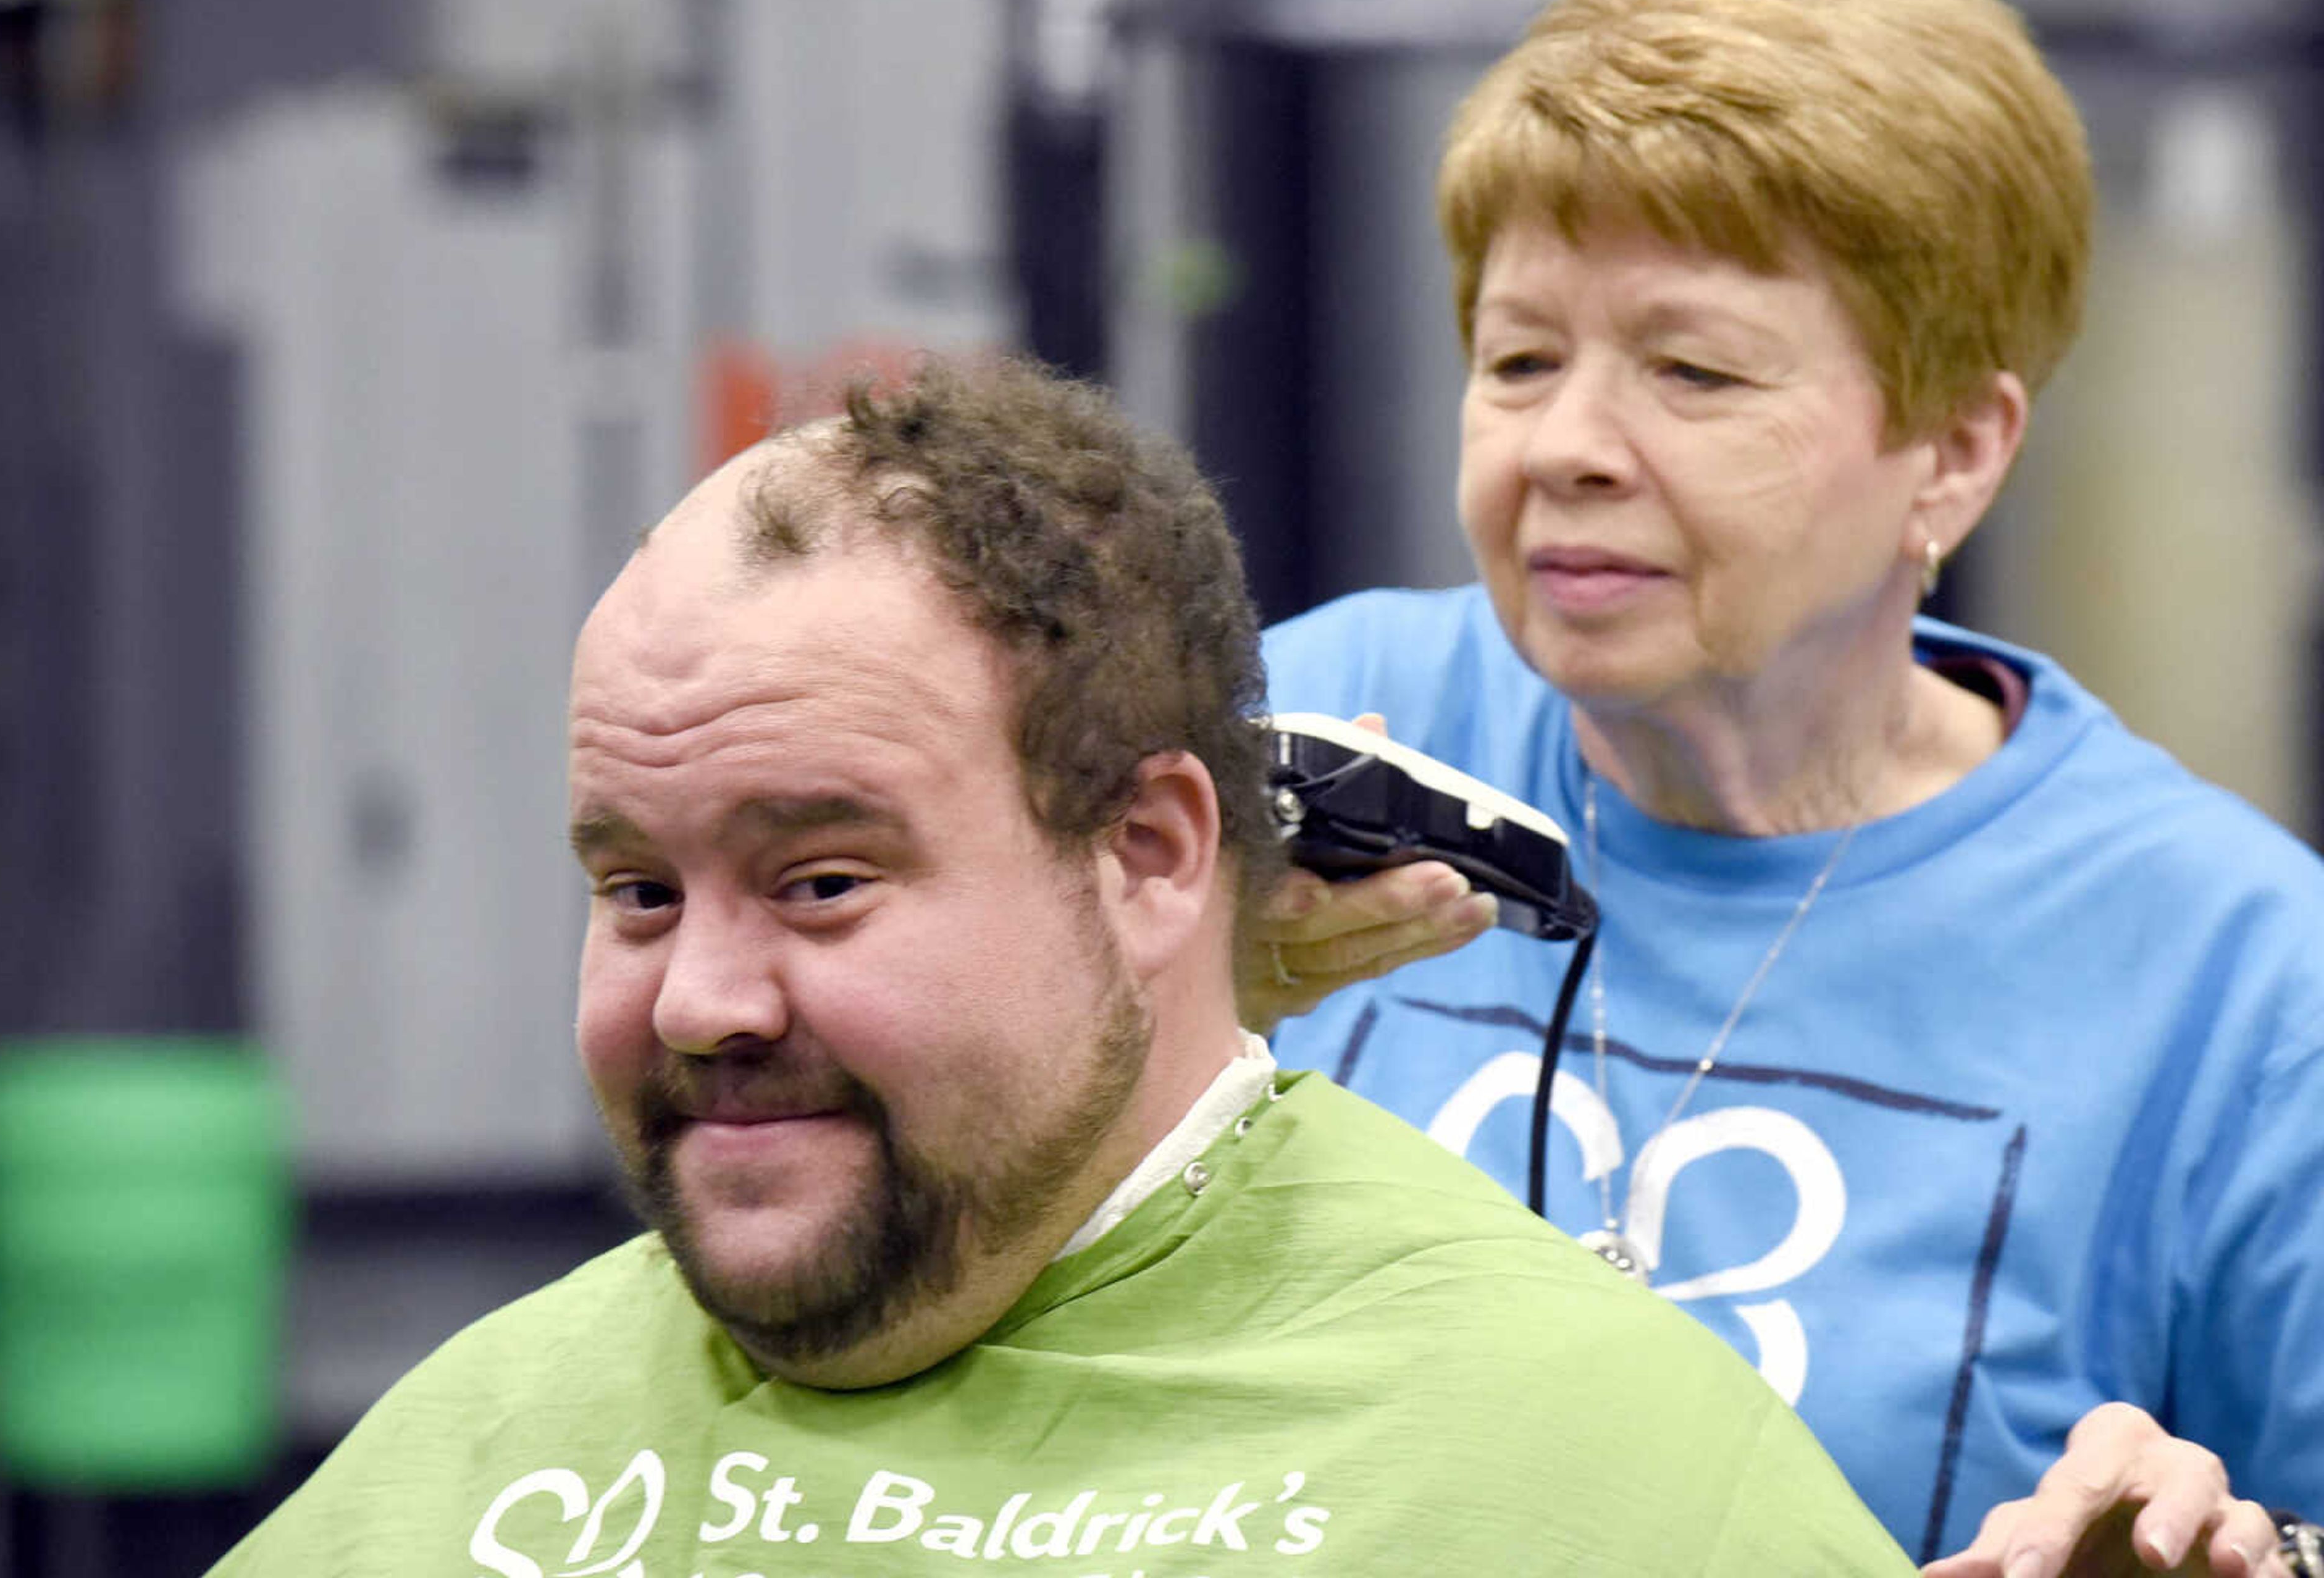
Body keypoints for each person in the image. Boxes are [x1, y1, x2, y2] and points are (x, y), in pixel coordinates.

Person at [209, 355, 1909, 1574]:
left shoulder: (1595, 1475)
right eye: (640, 893)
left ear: (1152, 857)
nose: (700, 1001)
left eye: (818, 883)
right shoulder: (478, 1452)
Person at [1247, 0, 2324, 1574]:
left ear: (1954, 452)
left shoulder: (2240, 980)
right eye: (1521, 358)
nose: (1565, 448)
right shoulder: (1311, 734)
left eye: (1692, 371)